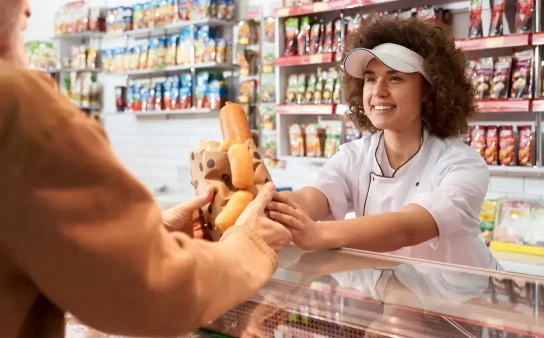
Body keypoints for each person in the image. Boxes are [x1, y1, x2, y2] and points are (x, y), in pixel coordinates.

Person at [0, 1, 291, 338]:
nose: (29, 9)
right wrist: (248, 247)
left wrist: (152, 236)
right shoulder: (18, 103)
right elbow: (147, 296)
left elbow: (49, 256)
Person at [267, 16, 499, 270]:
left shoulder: (462, 164)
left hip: (461, 301)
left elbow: (407, 227)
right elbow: (313, 196)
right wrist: (276, 210)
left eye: (395, 78)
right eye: (370, 78)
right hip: (396, 294)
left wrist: (320, 234)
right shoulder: (354, 156)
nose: (378, 91)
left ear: (428, 91)